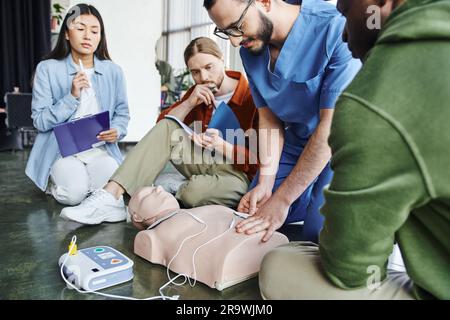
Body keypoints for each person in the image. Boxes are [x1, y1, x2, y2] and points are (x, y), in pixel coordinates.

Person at [259, 0, 450, 300]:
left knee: (279, 263)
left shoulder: (375, 96)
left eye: (346, 13)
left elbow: (350, 269)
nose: (346, 34)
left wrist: (283, 198)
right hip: (302, 150)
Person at [205, 0, 361, 242]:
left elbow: (330, 128)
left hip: (346, 144)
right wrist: (266, 183)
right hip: (299, 140)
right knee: (253, 213)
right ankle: (309, 194)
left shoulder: (335, 28)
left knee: (319, 236)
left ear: (265, 2)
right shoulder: (251, 49)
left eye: (237, 26)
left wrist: (283, 199)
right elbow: (269, 117)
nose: (235, 41)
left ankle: (328, 203)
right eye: (226, 33)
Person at [60, 37, 259, 225]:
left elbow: (260, 160)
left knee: (193, 194)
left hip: (238, 174)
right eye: (195, 72)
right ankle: (111, 196)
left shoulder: (252, 96)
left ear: (221, 58)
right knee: (168, 127)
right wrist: (189, 103)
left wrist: (223, 146)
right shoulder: (197, 92)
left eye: (209, 67)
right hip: (203, 161)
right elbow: (162, 128)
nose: (203, 77)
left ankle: (174, 186)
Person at [25, 4, 130, 206]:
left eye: (94, 30)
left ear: (101, 36)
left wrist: (117, 130)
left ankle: (85, 185)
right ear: (66, 33)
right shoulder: (47, 69)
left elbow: (122, 113)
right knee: (75, 195)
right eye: (80, 29)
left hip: (100, 150)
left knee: (110, 194)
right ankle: (57, 184)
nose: (87, 36)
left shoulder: (113, 71)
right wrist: (71, 96)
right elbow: (39, 121)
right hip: (61, 152)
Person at [130, 185, 289, 290]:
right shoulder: (150, 236)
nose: (158, 188)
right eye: (147, 194)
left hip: (264, 239)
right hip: (232, 257)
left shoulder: (200, 209)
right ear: (137, 217)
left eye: (154, 187)